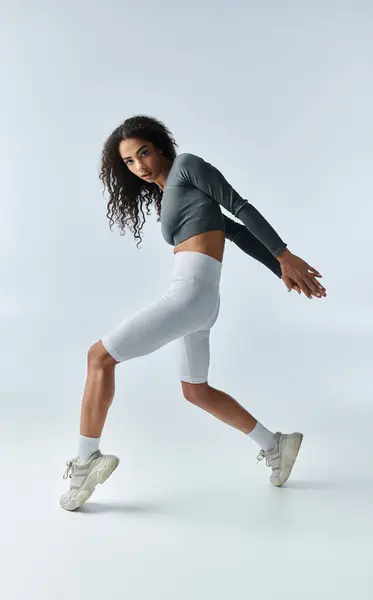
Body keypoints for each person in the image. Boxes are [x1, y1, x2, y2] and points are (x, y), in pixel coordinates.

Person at [60, 115, 327, 511]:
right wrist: (280, 269)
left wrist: (284, 257)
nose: (140, 166)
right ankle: (276, 446)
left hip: (189, 296)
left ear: (160, 145)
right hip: (200, 301)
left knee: (98, 357)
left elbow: (240, 208)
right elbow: (233, 233)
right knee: (195, 390)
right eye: (130, 162)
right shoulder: (170, 192)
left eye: (143, 152)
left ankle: (86, 462)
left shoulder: (187, 166)